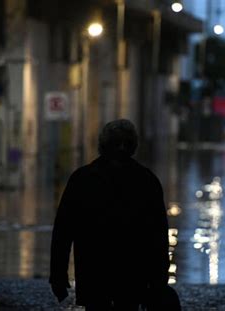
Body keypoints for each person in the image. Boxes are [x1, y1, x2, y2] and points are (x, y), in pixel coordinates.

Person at [50, 119, 170, 310]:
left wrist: (58, 275)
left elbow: (63, 232)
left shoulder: (82, 179)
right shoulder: (146, 181)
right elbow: (158, 236)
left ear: (102, 145)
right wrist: (159, 279)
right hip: (132, 273)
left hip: (93, 271)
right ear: (134, 147)